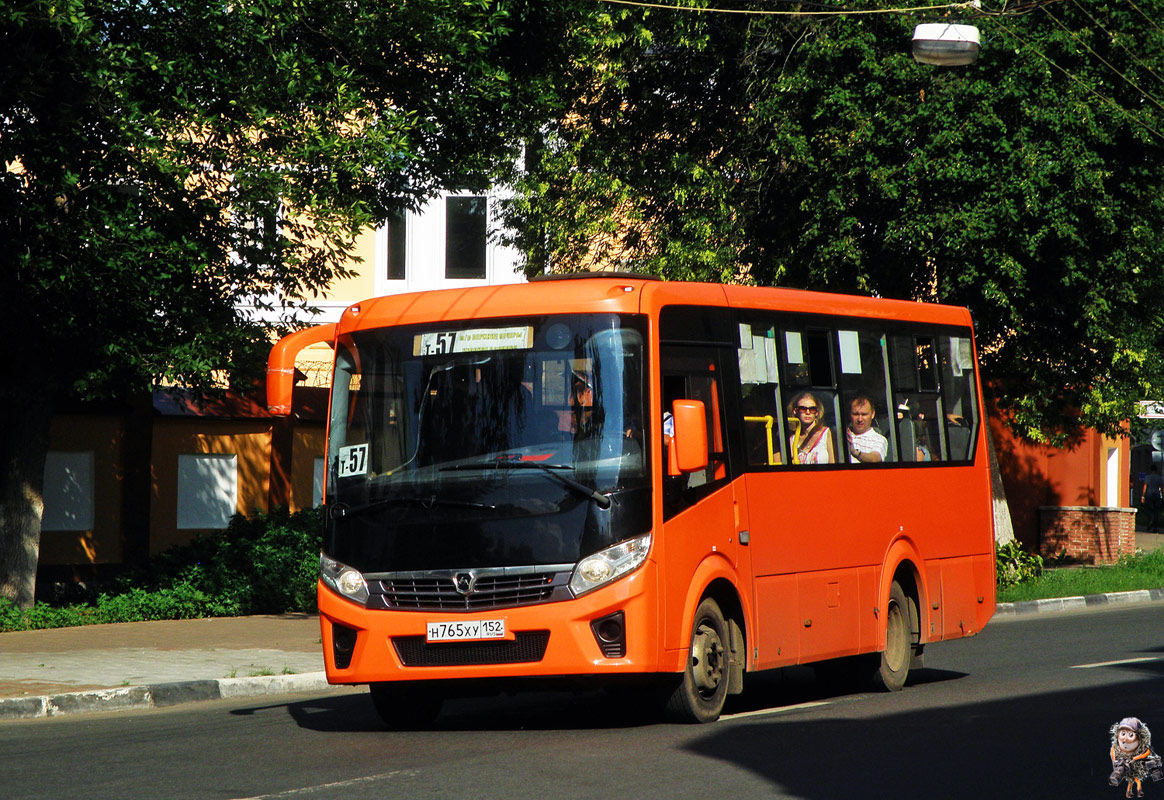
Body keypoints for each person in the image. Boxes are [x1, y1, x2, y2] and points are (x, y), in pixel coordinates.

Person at [787, 391, 833, 464]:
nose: (808, 412)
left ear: (817, 412)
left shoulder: (826, 433)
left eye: (812, 409)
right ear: (795, 411)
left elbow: (833, 462)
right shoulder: (791, 438)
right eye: (803, 409)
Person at [846, 394, 888, 463]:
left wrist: (855, 452)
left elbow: (875, 459)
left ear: (872, 414)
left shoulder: (879, 439)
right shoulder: (843, 435)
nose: (860, 419)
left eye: (864, 414)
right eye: (855, 414)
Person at [1142, 464, 1163, 533]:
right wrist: (1162, 495)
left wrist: (1143, 496)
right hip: (1157, 495)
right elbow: (1162, 487)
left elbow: (1145, 486)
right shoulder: (1159, 478)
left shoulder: (1147, 477)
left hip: (1149, 494)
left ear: (1150, 470)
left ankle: (1150, 521)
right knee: (1156, 511)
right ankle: (1155, 527)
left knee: (1149, 510)